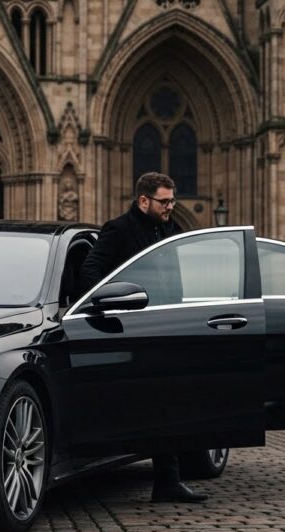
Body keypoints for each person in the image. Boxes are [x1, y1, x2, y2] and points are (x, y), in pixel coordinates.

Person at [79, 171, 209, 503]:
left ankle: (168, 481)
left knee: (170, 404)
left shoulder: (169, 230)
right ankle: (156, 478)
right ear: (143, 201)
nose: (171, 206)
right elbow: (90, 272)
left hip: (166, 328)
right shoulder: (118, 230)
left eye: (172, 200)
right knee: (152, 403)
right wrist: (116, 304)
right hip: (132, 329)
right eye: (165, 201)